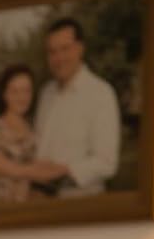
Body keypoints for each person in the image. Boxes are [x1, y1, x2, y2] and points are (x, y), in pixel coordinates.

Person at [30, 18, 121, 197]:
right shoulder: (46, 93)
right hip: (40, 204)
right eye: (52, 52)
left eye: (65, 49)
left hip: (81, 205)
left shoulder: (100, 93)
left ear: (80, 49)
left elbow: (107, 162)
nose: (58, 58)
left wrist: (62, 172)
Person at [0, 64, 38, 204]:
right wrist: (39, 172)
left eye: (26, 91)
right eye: (15, 91)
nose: (22, 97)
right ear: (4, 94)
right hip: (2, 210)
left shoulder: (34, 128)